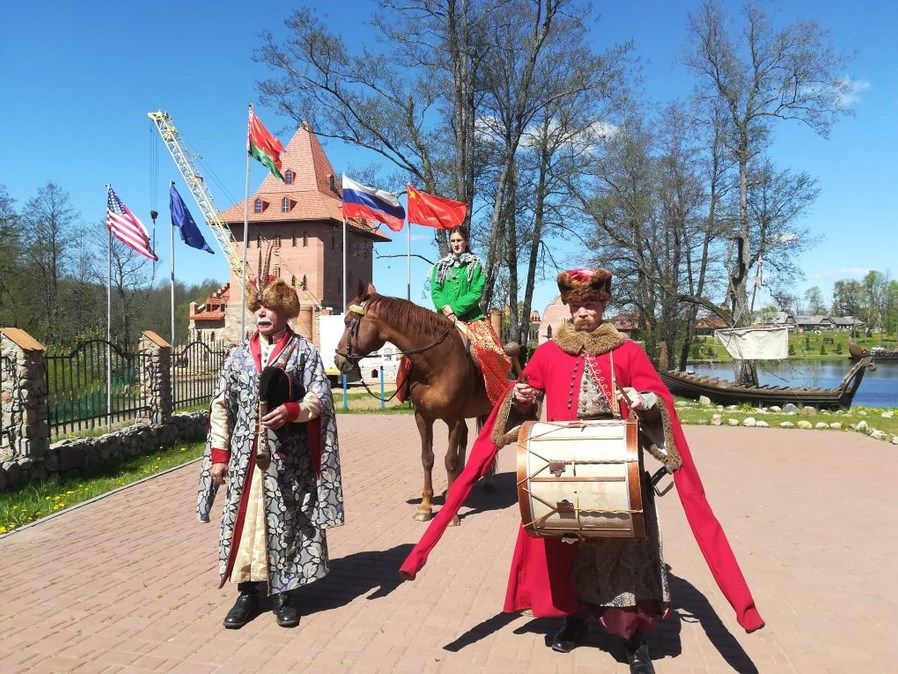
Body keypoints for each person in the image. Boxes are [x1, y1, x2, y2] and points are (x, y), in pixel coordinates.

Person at [400, 268, 763, 673]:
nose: (583, 312)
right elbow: (524, 398)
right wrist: (520, 396)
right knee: (568, 547)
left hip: (617, 469)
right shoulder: (551, 352)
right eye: (576, 306)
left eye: (590, 304)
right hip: (566, 470)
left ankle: (633, 638)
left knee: (626, 553)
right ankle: (574, 620)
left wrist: (643, 402)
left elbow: (659, 399)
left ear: (603, 305)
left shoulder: (627, 352)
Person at [196, 277, 343, 630]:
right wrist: (220, 455)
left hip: (289, 460)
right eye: (258, 308)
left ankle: (284, 594)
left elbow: (320, 398)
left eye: (271, 308)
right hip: (245, 459)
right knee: (247, 522)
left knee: (288, 521)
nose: (263, 313)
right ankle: (247, 591)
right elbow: (221, 406)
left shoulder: (303, 351)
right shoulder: (237, 356)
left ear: (285, 312)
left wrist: (293, 410)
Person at [428, 225, 510, 404]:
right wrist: (445, 310)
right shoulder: (440, 266)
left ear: (466, 242)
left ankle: (494, 396)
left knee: (489, 350)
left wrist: (455, 310)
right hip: (442, 318)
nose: (456, 244)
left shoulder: (476, 265)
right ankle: (411, 391)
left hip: (471, 318)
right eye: (453, 241)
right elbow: (435, 290)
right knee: (417, 348)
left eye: (459, 240)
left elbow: (476, 292)